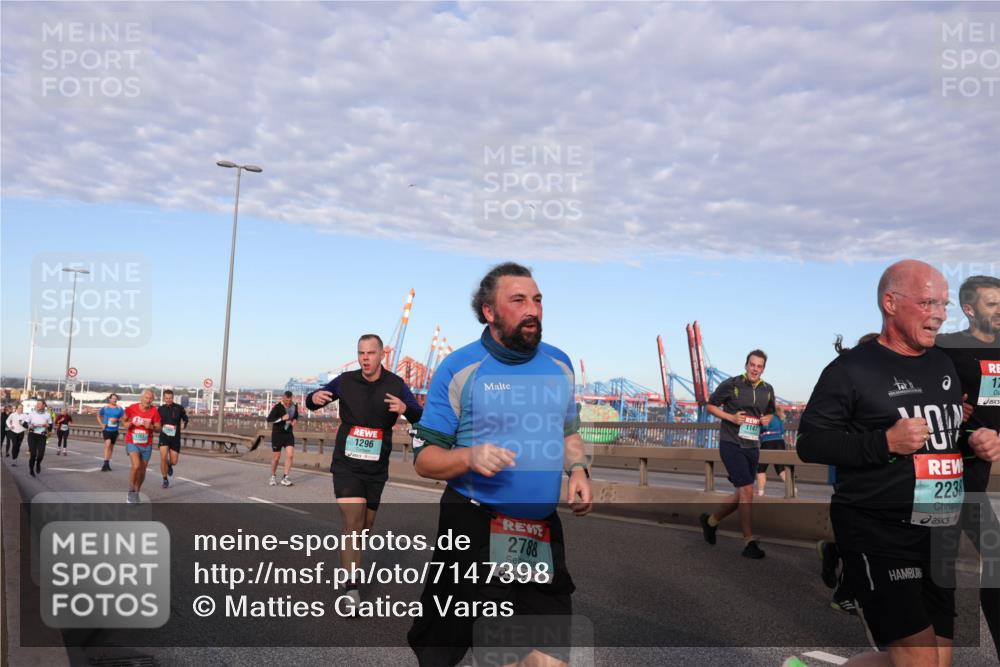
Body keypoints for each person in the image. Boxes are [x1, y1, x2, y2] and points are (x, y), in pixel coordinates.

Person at [795, 260, 1000, 667]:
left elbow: (943, 430)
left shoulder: (942, 363)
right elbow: (810, 442)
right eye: (928, 302)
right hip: (879, 531)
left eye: (943, 304)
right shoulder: (850, 370)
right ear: (891, 303)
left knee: (937, 662)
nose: (940, 314)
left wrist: (972, 438)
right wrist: (884, 442)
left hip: (937, 530)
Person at [407, 262, 592, 667]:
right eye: (519, 300)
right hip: (474, 524)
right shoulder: (459, 369)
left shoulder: (559, 365)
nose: (533, 310)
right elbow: (424, 459)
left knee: (550, 660)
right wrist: (469, 456)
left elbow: (568, 433)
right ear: (489, 312)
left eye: (538, 300)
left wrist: (578, 471)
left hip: (539, 533)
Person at [306, 334, 423, 604]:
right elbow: (313, 401)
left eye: (370, 353)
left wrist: (405, 407)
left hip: (376, 466)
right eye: (361, 353)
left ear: (381, 355)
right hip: (347, 463)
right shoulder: (345, 381)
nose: (365, 358)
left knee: (365, 527)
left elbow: (418, 413)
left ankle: (351, 568)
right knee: (352, 522)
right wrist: (315, 397)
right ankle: (351, 588)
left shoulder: (396, 383)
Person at [935, 274, 1000, 661]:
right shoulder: (946, 350)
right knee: (937, 574)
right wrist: (959, 423)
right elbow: (920, 407)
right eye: (993, 304)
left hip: (974, 479)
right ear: (970, 309)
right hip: (937, 478)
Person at [818, 332, 881, 617]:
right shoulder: (850, 381)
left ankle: (833, 550)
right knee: (862, 531)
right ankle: (845, 592)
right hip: (850, 469)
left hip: (864, 469)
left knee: (862, 530)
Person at [698, 350, 776, 559]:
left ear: (763, 369)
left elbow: (770, 411)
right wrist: (730, 417)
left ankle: (711, 521)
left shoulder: (768, 390)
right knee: (747, 491)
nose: (755, 369)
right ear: (746, 365)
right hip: (731, 444)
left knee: (742, 493)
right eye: (752, 364)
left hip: (752, 445)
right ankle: (749, 542)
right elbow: (710, 406)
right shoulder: (731, 384)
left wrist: (768, 418)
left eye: (759, 366)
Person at [124, 389, 161, 504]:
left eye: (150, 398)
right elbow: (124, 420)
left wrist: (151, 426)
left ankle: (137, 492)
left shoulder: (154, 411)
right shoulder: (132, 408)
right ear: (141, 398)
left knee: (142, 470)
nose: (148, 400)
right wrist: (127, 424)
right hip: (132, 442)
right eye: (146, 398)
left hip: (147, 444)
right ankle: (131, 491)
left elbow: (159, 428)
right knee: (136, 466)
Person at [157, 389, 190, 488]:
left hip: (175, 437)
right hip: (164, 436)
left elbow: (185, 418)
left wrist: (185, 423)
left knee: (174, 461)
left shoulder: (179, 408)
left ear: (173, 397)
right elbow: (156, 421)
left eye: (170, 398)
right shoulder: (160, 409)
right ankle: (165, 479)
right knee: (163, 458)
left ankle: (169, 464)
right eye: (166, 398)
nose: (168, 400)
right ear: (164, 398)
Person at [756, 404, 789, 496]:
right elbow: (782, 431)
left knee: (761, 469)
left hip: (767, 443)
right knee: (780, 468)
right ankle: (792, 488)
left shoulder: (765, 417)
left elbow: (763, 428)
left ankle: (760, 492)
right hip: (780, 443)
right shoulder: (778, 418)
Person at [266, 391, 297, 486]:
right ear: (283, 398)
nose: (289, 402)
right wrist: (281, 418)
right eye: (287, 400)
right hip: (277, 434)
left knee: (290, 455)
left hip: (288, 434)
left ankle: (285, 477)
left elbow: (295, 416)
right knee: (276, 458)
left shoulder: (294, 406)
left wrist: (294, 420)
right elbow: (269, 419)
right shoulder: (277, 407)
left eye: (290, 400)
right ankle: (273, 476)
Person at [97, 393, 125, 471]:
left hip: (115, 430)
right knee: (107, 444)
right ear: (109, 399)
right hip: (107, 429)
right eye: (113, 398)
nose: (114, 400)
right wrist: (102, 425)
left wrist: (117, 420)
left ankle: (107, 463)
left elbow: (123, 419)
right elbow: (98, 416)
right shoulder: (105, 408)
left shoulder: (119, 409)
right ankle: (105, 463)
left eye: (115, 398)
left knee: (111, 447)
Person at [25, 399, 53, 477]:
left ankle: (38, 463)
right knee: (33, 455)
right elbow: (24, 423)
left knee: (40, 455)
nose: (38, 405)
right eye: (37, 404)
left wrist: (49, 428)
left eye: (40, 404)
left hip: (42, 436)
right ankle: (31, 469)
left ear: (44, 405)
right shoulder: (31, 414)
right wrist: (30, 426)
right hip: (32, 436)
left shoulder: (47, 414)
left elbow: (50, 425)